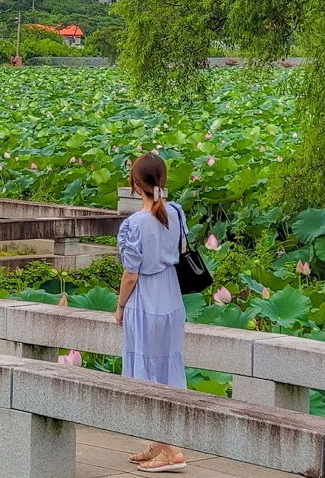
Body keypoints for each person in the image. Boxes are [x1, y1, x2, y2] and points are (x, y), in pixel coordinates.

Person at [115, 152, 188, 473]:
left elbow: (131, 273)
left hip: (145, 301)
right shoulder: (177, 212)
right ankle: (159, 443)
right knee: (166, 372)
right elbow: (181, 250)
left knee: (147, 374)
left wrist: (119, 307)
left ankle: (172, 449)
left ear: (134, 184)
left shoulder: (134, 224)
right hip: (172, 299)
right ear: (163, 180)